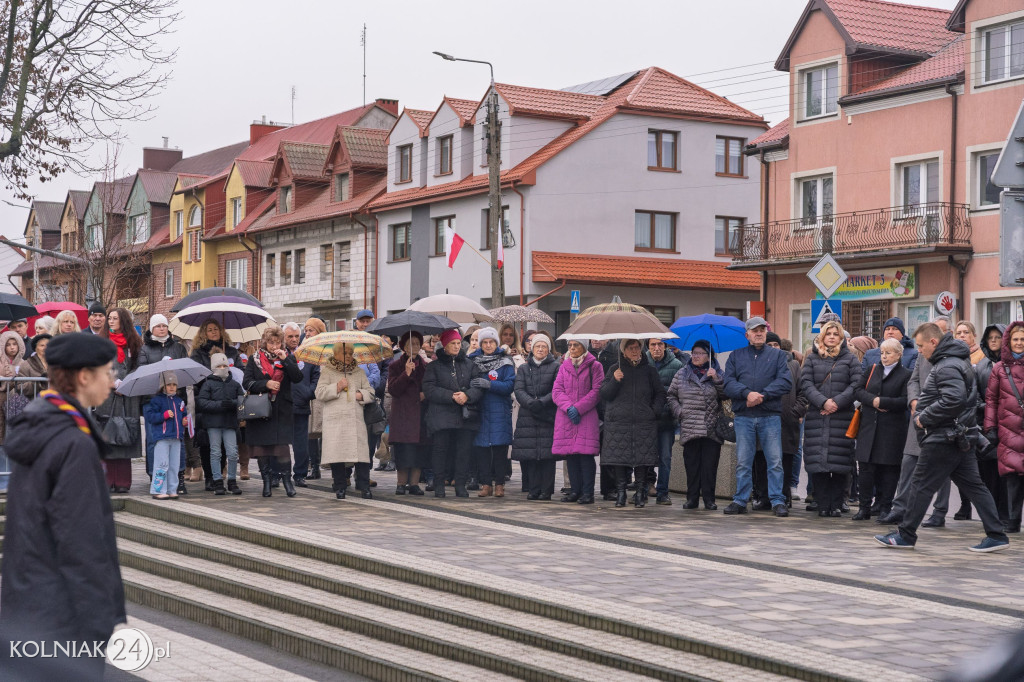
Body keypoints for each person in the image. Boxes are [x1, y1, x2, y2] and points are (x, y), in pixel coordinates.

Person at [0, 333, 125, 680]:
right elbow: (81, 539)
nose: (112, 381)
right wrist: (100, 620)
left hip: (31, 604)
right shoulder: (73, 442)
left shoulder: (42, 425)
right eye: (107, 372)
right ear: (84, 376)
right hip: (67, 617)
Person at [876, 323, 1009, 552]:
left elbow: (953, 399)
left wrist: (925, 416)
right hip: (959, 435)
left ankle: (906, 535)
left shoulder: (947, 365)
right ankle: (997, 535)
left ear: (933, 342)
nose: (919, 351)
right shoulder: (956, 360)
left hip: (944, 436)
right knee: (975, 486)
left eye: (921, 346)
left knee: (920, 485)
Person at [722, 317, 793, 517]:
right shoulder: (736, 356)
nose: (759, 333)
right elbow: (728, 383)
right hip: (744, 416)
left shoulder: (778, 356)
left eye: (762, 329)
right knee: (744, 461)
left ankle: (777, 501)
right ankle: (740, 500)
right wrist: (747, 393)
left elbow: (785, 382)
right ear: (747, 335)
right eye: (755, 330)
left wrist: (762, 395)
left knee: (775, 461)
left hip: (769, 415)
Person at [800, 320, 862, 518]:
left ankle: (836, 503)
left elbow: (856, 384)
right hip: (817, 417)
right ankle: (822, 504)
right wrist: (823, 402)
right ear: (822, 336)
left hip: (842, 417)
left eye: (836, 334)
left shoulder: (850, 359)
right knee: (818, 464)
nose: (832, 337)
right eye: (829, 334)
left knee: (841, 464)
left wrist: (836, 402)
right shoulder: (811, 359)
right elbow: (806, 384)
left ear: (841, 338)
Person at [600, 338, 666, 508]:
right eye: (630, 348)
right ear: (623, 351)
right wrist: (615, 380)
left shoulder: (649, 371)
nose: (635, 351)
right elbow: (605, 394)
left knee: (642, 459)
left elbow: (660, 394)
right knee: (620, 459)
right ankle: (621, 493)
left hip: (644, 422)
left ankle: (639, 493)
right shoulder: (615, 368)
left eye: (637, 348)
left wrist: (654, 412)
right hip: (619, 423)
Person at [852, 338, 911, 520]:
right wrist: (872, 401)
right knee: (866, 469)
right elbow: (858, 390)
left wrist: (884, 402)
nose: (884, 356)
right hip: (869, 427)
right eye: (882, 353)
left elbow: (905, 400)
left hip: (891, 430)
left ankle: (885, 507)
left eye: (889, 353)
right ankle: (864, 508)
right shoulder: (871, 370)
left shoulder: (906, 374)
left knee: (888, 471)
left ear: (899, 355)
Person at [243, 326, 303, 498]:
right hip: (261, 410)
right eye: (271, 342)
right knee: (262, 448)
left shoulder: (287, 357)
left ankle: (287, 481)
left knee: (282, 448)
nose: (274, 345)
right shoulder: (254, 359)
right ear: (265, 342)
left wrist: (286, 361)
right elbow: (246, 383)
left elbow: (297, 378)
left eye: (277, 342)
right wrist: (266, 384)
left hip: (281, 410)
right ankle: (267, 482)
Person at [422, 328, 483, 497]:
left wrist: (467, 395)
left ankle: (460, 485)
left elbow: (477, 386)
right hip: (441, 415)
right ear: (444, 345)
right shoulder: (434, 366)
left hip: (465, 415)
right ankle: (439, 485)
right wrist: (451, 396)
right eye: (452, 344)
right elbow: (429, 389)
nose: (456, 347)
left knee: (463, 452)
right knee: (440, 451)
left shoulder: (470, 364)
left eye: (458, 343)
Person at [667, 339, 726, 510]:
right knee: (692, 465)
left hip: (711, 427)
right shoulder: (682, 373)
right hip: (690, 425)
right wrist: (680, 412)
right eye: (694, 353)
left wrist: (716, 379)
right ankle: (692, 498)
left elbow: (726, 396)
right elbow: (671, 395)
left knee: (709, 466)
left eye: (700, 353)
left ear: (709, 356)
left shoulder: (718, 373)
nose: (696, 356)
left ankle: (709, 499)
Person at [316, 342, 376, 499]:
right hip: (335, 420)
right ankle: (340, 486)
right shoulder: (327, 371)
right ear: (335, 354)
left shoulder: (359, 372)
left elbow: (371, 391)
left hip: (356, 420)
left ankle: (364, 486)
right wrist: (337, 386)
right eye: (345, 353)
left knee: (361, 455)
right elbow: (319, 393)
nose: (349, 356)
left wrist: (361, 395)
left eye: (351, 353)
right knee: (337, 454)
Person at [138, 313, 189, 492]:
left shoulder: (178, 348)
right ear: (152, 329)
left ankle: (178, 477)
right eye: (158, 326)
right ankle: (155, 476)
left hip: (174, 398)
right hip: (153, 399)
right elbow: (142, 371)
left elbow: (184, 369)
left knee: (177, 439)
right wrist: (160, 366)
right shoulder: (145, 349)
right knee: (154, 439)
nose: (162, 328)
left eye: (164, 325)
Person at [190, 319, 241, 487]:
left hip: (228, 401)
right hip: (207, 402)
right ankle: (210, 477)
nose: (213, 332)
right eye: (209, 329)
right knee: (208, 443)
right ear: (204, 333)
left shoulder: (231, 351)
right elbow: (195, 377)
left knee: (227, 446)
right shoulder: (198, 353)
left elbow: (241, 373)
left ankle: (221, 473)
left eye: (216, 329)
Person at [95, 307, 141, 493]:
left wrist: (127, 383)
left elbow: (139, 366)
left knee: (125, 436)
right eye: (110, 318)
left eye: (115, 318)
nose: (111, 321)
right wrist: (112, 382)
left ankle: (122, 481)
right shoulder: (101, 342)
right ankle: (106, 480)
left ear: (123, 321)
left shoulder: (134, 343)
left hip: (128, 396)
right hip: (106, 394)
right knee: (107, 436)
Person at [552, 339, 603, 504]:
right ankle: (575, 490)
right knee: (571, 455)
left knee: (586, 455)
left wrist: (578, 408)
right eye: (570, 345)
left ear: (584, 347)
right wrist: (568, 407)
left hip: (586, 416)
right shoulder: (564, 366)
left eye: (576, 345)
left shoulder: (595, 366)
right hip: (566, 416)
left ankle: (588, 493)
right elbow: (557, 391)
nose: (572, 348)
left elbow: (597, 391)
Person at [984, 322, 1024, 533]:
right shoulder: (1000, 368)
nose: (1019, 343)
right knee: (1012, 479)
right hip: (1008, 429)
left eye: (1022, 339)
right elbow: (991, 400)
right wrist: (990, 428)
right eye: (1015, 339)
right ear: (1009, 341)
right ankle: (1012, 522)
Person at [469, 327, 515, 497]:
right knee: (481, 449)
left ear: (496, 343)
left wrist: (490, 384)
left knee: (499, 449)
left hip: (499, 410)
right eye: (485, 342)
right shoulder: (472, 360)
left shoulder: (506, 361)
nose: (488, 345)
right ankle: (486, 484)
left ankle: (500, 484)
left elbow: (509, 385)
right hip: (480, 410)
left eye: (491, 342)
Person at [512, 333, 559, 500]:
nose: (540, 349)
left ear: (548, 349)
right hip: (528, 415)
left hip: (547, 415)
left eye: (544, 346)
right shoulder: (524, 368)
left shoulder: (555, 366)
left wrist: (543, 402)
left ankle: (546, 490)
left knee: (547, 455)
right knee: (531, 455)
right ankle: (533, 489)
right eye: (537, 346)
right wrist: (531, 403)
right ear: (532, 349)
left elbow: (557, 389)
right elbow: (518, 390)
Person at [196, 353, 245, 495]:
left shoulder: (234, 384)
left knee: (232, 452)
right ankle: (217, 480)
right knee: (215, 452)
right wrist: (220, 405)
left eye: (225, 366)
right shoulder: (207, 384)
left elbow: (242, 401)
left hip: (230, 423)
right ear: (213, 367)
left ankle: (231, 480)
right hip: (213, 423)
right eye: (219, 366)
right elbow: (203, 403)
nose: (222, 368)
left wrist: (233, 404)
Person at [388, 331, 428, 495]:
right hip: (403, 415)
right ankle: (400, 483)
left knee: (418, 450)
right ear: (403, 346)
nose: (415, 347)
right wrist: (406, 373)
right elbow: (393, 390)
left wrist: (426, 393)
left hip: (420, 414)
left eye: (418, 343)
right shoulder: (395, 366)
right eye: (411, 343)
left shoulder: (425, 365)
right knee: (404, 450)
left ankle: (414, 484)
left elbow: (430, 386)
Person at [975, 323, 1007, 519]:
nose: (993, 341)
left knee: (1006, 474)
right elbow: (974, 393)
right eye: (990, 338)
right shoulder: (981, 365)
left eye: (998, 337)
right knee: (988, 473)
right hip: (986, 425)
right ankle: (992, 515)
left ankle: (1007, 514)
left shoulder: (1014, 365)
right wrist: (986, 408)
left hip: (1009, 426)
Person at [647, 338, 683, 505]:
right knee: (644, 457)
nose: (657, 348)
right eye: (653, 345)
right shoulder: (642, 363)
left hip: (667, 420)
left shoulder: (676, 365)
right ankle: (644, 487)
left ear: (665, 347)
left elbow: (679, 393)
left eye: (660, 344)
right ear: (648, 346)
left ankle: (663, 492)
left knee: (665, 458)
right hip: (646, 420)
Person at [143, 371, 188, 500]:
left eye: (174, 384)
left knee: (174, 465)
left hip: (176, 437)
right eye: (169, 384)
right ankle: (158, 490)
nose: (172, 387)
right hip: (162, 437)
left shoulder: (179, 401)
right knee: (162, 464)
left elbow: (183, 414)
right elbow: (150, 417)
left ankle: (171, 489)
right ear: (163, 386)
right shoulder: (157, 400)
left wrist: (184, 421)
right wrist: (164, 415)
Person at [284, 321, 318, 487]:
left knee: (301, 444)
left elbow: (316, 377)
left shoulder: (308, 354)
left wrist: (308, 392)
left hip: (302, 404)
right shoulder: (279, 354)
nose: (294, 339)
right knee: (282, 443)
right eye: (290, 336)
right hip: (283, 406)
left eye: (297, 336)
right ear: (284, 337)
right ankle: (281, 473)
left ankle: (300, 474)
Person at [302, 317, 327, 479]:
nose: (308, 333)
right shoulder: (303, 347)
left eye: (311, 330)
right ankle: (314, 466)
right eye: (306, 330)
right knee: (310, 433)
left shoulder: (327, 347)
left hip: (324, 394)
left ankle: (329, 461)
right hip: (309, 393)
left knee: (325, 431)